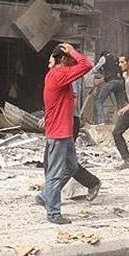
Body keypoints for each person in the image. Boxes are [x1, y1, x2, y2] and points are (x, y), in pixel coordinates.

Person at [38, 50, 101, 205]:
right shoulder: (57, 74)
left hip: (67, 122)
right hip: (62, 122)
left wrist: (56, 115)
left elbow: (72, 101)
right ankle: (50, 194)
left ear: (63, 59)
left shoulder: (66, 75)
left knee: (55, 165)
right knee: (67, 164)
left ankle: (51, 202)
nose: (49, 63)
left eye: (52, 59)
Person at [93, 51, 125, 124]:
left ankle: (101, 121)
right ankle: (122, 122)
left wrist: (90, 73)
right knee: (120, 104)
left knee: (99, 101)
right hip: (120, 82)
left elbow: (96, 68)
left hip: (111, 82)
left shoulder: (104, 57)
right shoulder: (117, 59)